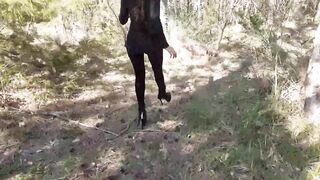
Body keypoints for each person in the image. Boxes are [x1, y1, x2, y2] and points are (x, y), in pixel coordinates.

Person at [119, 0, 177, 129]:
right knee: (157, 70)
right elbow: (155, 21)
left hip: (134, 41)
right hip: (152, 40)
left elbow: (122, 20)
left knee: (139, 77)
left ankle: (141, 112)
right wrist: (166, 45)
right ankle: (162, 93)